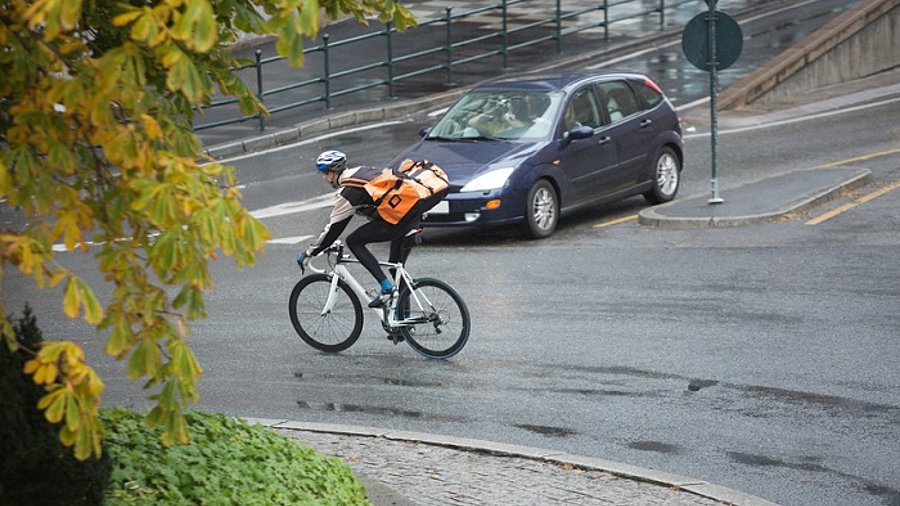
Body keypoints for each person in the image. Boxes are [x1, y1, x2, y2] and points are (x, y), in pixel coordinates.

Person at [296, 150, 424, 308]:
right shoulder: (363, 170)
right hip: (410, 216)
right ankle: (404, 323)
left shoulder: (347, 192)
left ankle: (386, 288)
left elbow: (334, 229)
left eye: (324, 174)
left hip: (398, 221)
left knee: (354, 241)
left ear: (331, 174)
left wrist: (309, 253)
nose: (324, 178)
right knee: (396, 269)